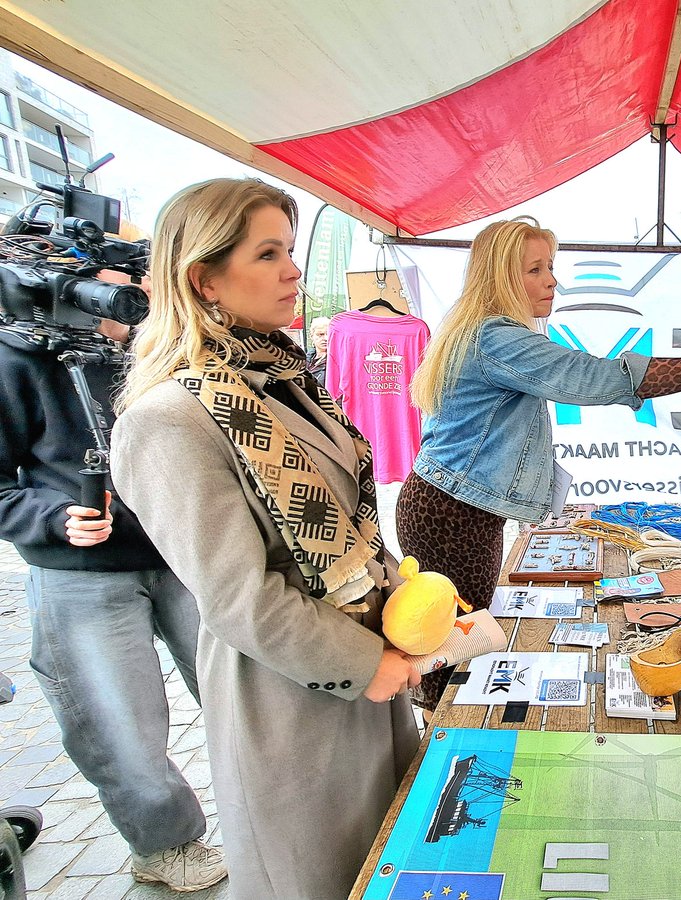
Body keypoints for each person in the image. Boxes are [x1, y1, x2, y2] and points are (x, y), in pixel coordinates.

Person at [111, 178, 420, 900]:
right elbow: (237, 597)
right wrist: (361, 662)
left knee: (388, 862)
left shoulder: (283, 380)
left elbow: (349, 526)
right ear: (204, 279)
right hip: (291, 701)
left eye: (290, 249)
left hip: (368, 671)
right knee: (317, 877)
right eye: (268, 252)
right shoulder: (170, 419)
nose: (292, 271)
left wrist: (402, 598)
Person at [399, 215, 681, 707]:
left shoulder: (477, 332)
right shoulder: (493, 337)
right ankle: (439, 741)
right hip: (453, 511)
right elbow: (588, 378)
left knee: (459, 630)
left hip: (451, 504)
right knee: (452, 646)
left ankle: (444, 727)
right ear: (499, 275)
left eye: (551, 267)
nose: (551, 281)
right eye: (535, 270)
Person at [0, 281, 226, 891]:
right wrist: (52, 519)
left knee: (240, 691)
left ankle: (267, 805)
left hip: (183, 553)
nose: (123, 291)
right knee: (118, 720)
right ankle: (164, 845)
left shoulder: (161, 347)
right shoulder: (17, 358)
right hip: (80, 574)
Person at [306, 314, 331, 387]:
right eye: (320, 334)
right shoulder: (305, 359)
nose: (326, 338)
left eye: (329, 334)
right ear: (312, 336)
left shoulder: (336, 361)